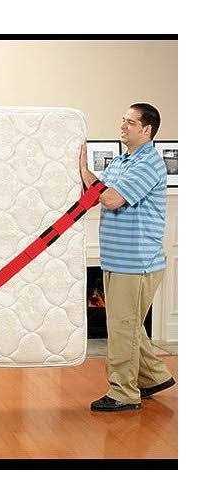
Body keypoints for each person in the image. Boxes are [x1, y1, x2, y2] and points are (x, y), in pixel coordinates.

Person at [79, 103, 176, 411]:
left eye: (130, 122)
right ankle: (154, 377)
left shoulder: (148, 164)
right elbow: (95, 195)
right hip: (115, 259)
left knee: (123, 328)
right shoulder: (122, 161)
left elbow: (110, 198)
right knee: (129, 325)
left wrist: (85, 171)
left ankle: (123, 393)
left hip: (136, 263)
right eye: (123, 120)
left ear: (147, 130)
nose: (123, 126)